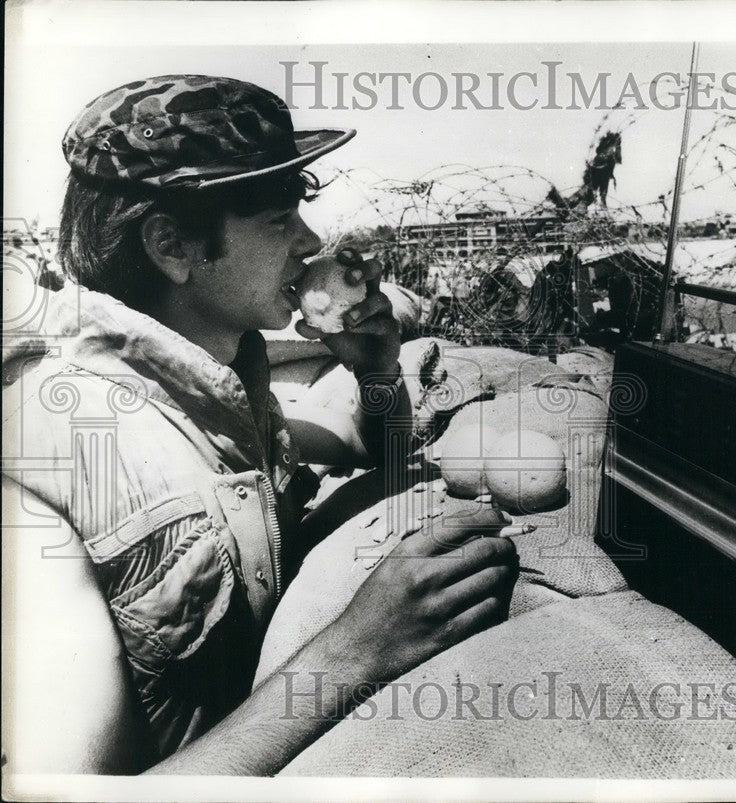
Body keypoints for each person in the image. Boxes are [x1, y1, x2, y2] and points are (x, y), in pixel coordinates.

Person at [1, 75, 518, 775]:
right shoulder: (54, 459)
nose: (309, 243)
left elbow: (375, 452)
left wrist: (376, 373)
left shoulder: (217, 382)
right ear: (172, 246)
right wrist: (356, 651)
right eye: (279, 221)